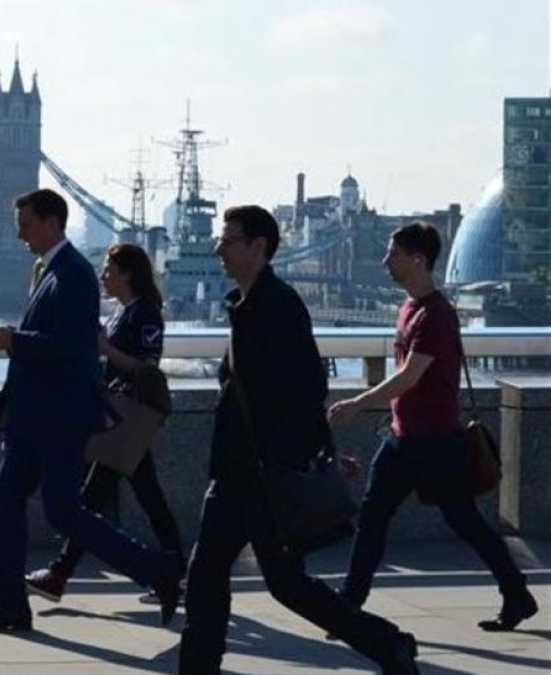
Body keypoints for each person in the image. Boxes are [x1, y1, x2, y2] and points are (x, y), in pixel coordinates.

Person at [177, 205, 419, 674]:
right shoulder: (242, 305)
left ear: (258, 247)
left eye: (228, 240)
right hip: (232, 475)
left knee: (287, 586)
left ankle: (388, 644)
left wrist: (301, 455)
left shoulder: (279, 306)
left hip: (266, 477)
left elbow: (307, 388)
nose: (218, 248)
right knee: (206, 578)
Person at [0, 189, 183, 635]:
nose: (19, 233)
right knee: (4, 508)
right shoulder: (51, 270)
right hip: (31, 416)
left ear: (50, 222)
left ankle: (158, 572)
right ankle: (9, 608)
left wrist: (13, 340)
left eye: (25, 224)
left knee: (64, 512)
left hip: (58, 417)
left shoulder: (74, 274)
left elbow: (74, 348)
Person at [327, 221, 538, 631]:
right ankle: (348, 606)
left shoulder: (437, 315)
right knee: (372, 518)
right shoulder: (408, 308)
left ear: (419, 260)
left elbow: (410, 376)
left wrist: (358, 403)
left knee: (465, 523)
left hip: (437, 442)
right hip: (403, 438)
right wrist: (390, 417)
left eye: (394, 254)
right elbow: (406, 382)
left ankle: (516, 593)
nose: (386, 260)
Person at [24, 243, 185, 604]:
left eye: (109, 270)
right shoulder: (120, 313)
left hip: (127, 417)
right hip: (116, 417)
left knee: (90, 501)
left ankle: (60, 574)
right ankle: (176, 572)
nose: (103, 277)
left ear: (127, 273)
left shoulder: (145, 314)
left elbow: (147, 365)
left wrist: (106, 350)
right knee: (144, 497)